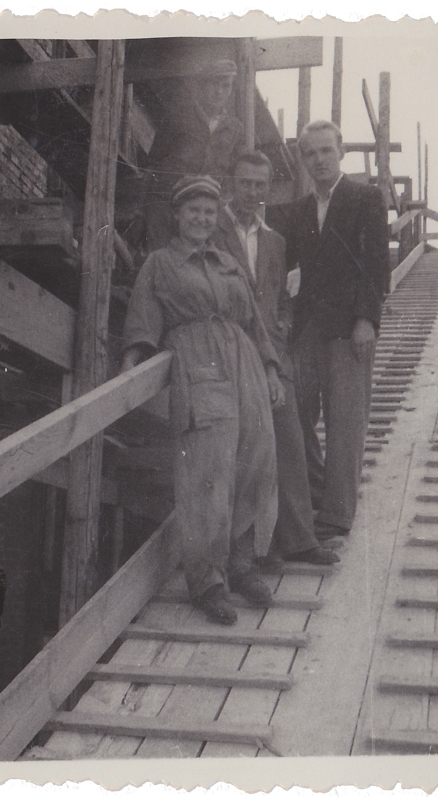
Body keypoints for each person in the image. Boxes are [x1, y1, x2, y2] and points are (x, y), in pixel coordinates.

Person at [122, 175, 285, 625]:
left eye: (209, 212)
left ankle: (242, 565)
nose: (202, 218)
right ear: (177, 215)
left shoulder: (229, 262)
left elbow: (255, 323)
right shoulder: (160, 263)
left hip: (245, 362)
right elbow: (142, 319)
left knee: (254, 460)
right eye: (193, 210)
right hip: (198, 361)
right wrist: (132, 361)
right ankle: (207, 582)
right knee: (207, 471)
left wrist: (271, 369)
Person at [213, 149, 340, 566]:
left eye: (260, 184)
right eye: (245, 183)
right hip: (230, 348)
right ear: (231, 183)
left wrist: (283, 325)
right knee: (241, 447)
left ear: (269, 188)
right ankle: (253, 548)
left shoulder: (275, 240)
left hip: (273, 351)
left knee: (289, 437)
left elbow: (284, 295)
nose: (252, 192)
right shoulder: (211, 230)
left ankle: (299, 539)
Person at [287, 120, 391, 538]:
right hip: (307, 328)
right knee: (292, 411)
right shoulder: (298, 210)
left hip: (350, 327)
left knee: (345, 421)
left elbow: (376, 262)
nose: (319, 160)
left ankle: (337, 514)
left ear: (341, 151)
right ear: (303, 159)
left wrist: (366, 319)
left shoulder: (365, 198)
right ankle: (317, 491)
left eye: (326, 150)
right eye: (310, 153)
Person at [143, 59, 244, 251]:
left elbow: (234, 174)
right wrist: (143, 211)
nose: (219, 92)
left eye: (226, 86)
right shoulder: (178, 117)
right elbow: (153, 163)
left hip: (204, 215)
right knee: (163, 261)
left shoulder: (235, 129)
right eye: (214, 84)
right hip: (166, 208)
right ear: (202, 85)